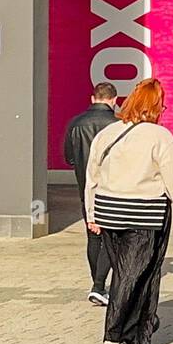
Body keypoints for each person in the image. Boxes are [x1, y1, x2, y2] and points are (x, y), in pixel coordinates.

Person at [84, 78, 173, 344]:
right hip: (144, 215)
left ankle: (141, 325)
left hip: (109, 212)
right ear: (157, 106)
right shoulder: (159, 137)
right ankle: (112, 341)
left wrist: (91, 214)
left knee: (130, 272)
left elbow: (91, 177)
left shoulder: (108, 133)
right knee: (131, 276)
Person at [62, 82, 119, 306]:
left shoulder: (75, 124)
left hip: (85, 189)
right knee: (112, 238)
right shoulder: (118, 125)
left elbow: (69, 158)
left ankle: (98, 284)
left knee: (93, 237)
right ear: (114, 100)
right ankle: (99, 284)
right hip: (112, 189)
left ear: (92, 98)